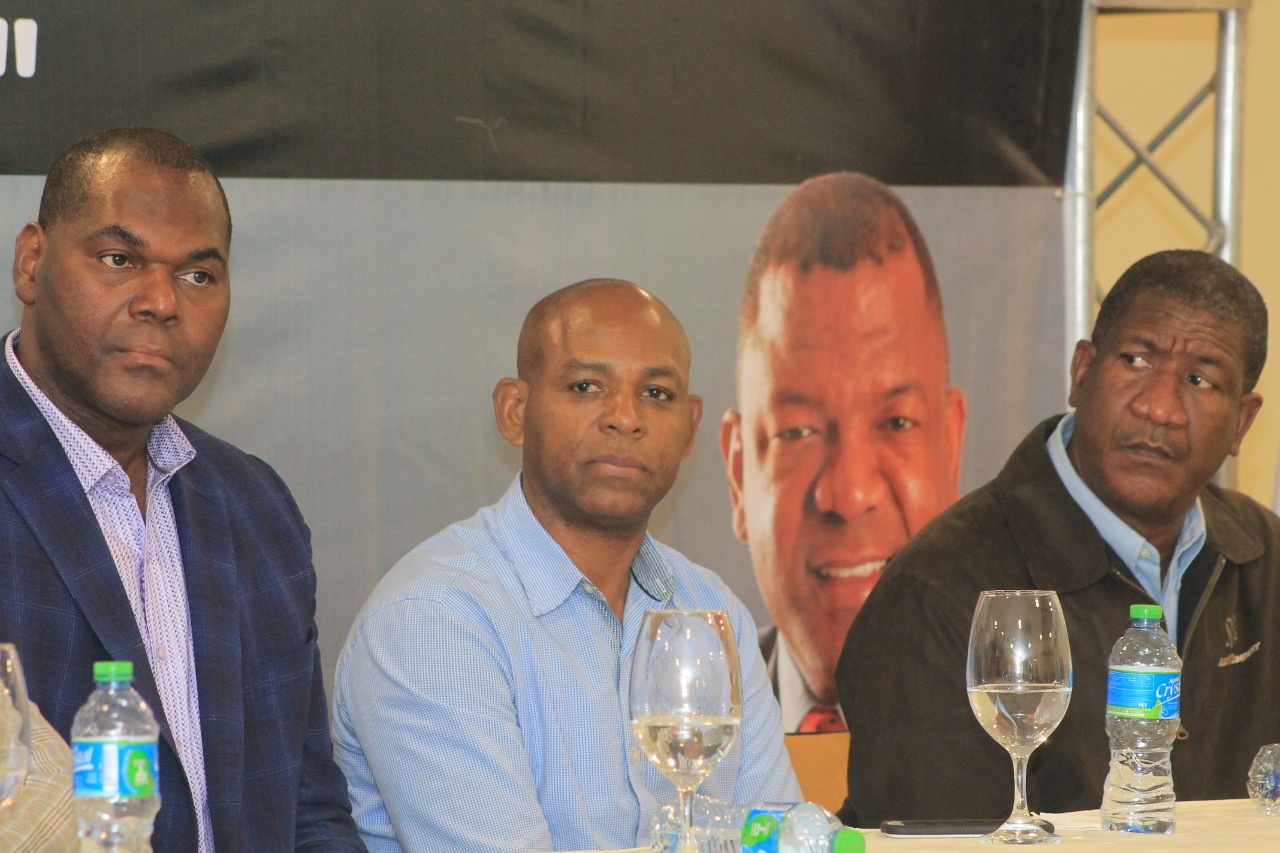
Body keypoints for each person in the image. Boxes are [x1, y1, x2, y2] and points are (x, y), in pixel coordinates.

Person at [332, 279, 800, 852]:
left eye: (656, 394)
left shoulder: (710, 609)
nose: (626, 418)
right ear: (515, 411)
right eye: (586, 386)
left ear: (690, 429)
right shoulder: (435, 620)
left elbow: (781, 840)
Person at [3, 127, 364, 851]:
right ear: (32, 262)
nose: (161, 301)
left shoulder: (256, 506)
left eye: (198, 275)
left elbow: (309, 811)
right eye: (119, 259)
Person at [834, 249, 1279, 826]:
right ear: (1081, 372)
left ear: (1242, 421)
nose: (1160, 407)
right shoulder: (941, 591)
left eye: (1200, 379)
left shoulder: (1268, 563)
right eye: (1137, 360)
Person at [720, 172, 966, 732]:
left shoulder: (1033, 740)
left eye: (897, 422)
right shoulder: (673, 741)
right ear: (738, 475)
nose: (849, 493)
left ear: (950, 449)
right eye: (798, 432)